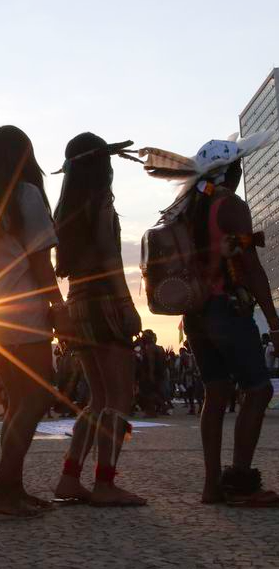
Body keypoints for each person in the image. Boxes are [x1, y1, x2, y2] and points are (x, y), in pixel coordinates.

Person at [141, 133, 279, 505]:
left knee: (216, 393)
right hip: (226, 309)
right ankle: (241, 484)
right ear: (230, 170)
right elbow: (249, 266)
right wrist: (274, 321)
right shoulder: (229, 205)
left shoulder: (189, 209)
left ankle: (212, 484)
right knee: (259, 389)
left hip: (196, 316)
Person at [0, 125, 69, 517]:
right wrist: (59, 307)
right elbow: (39, 261)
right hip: (23, 308)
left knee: (19, 401)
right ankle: (2, 486)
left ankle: (12, 486)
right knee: (36, 396)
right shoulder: (26, 195)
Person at [52, 133, 146, 507]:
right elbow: (109, 256)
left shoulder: (65, 208)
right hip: (104, 297)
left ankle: (69, 477)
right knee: (119, 396)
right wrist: (126, 303)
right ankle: (105, 483)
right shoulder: (100, 200)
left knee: (97, 399)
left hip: (78, 299)